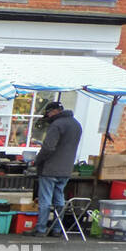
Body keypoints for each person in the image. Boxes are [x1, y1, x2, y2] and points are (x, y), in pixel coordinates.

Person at [33, 100, 82, 237]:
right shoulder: (76, 124)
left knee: (45, 200)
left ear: (54, 111)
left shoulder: (57, 124)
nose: (48, 117)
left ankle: (41, 229)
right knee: (59, 199)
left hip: (50, 168)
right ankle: (57, 229)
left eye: (48, 114)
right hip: (66, 169)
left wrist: (37, 161)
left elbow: (48, 147)